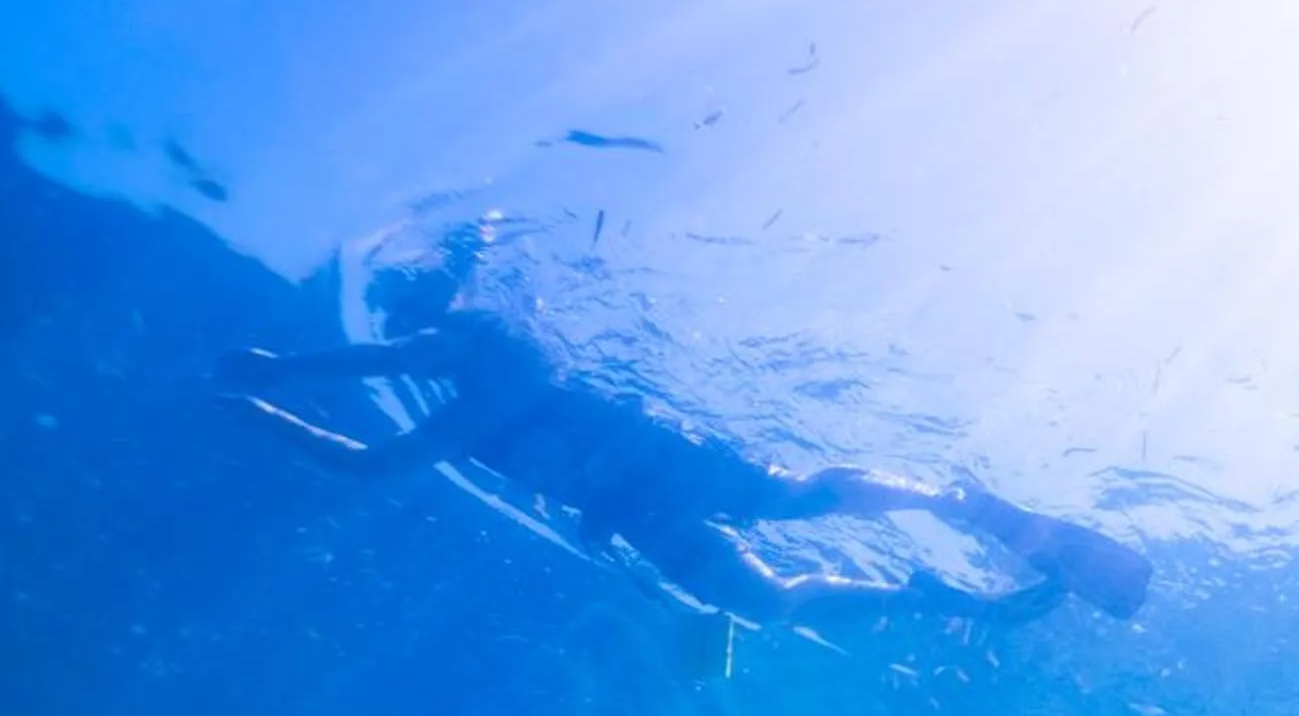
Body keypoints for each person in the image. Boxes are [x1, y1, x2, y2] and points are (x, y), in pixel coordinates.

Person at [216, 247, 1151, 630]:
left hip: (644, 475)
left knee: (793, 505)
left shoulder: (482, 362)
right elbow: (367, 440)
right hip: (635, 494)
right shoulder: (463, 400)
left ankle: (958, 511)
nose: (412, 328)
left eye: (413, 309)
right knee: (771, 591)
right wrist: (266, 394)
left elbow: (377, 399)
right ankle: (930, 584)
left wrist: (273, 384)